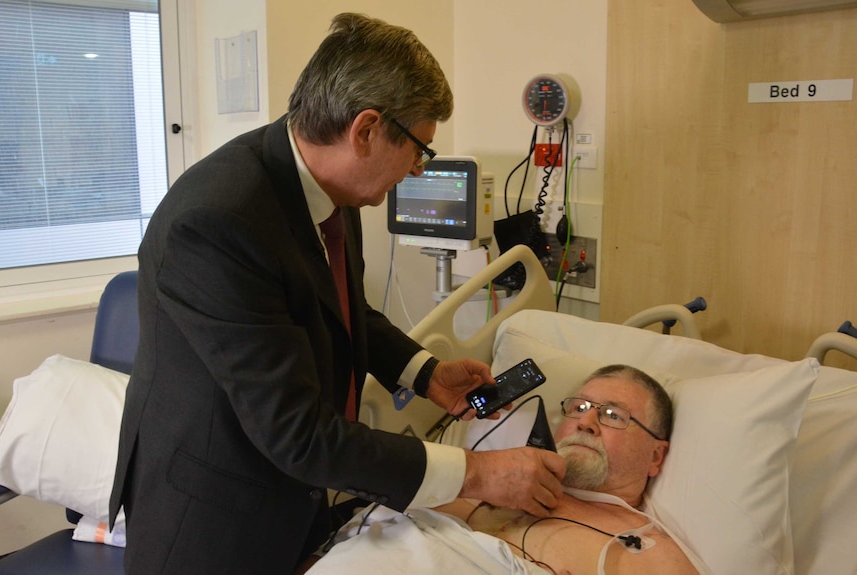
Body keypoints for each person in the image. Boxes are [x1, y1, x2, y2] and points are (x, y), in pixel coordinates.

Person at [108, 12, 565, 575]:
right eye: (420, 149)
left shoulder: (330, 190)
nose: (418, 168)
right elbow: (298, 435)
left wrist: (424, 373)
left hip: (296, 502)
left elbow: (343, 312)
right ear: (367, 130)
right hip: (212, 517)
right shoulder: (219, 223)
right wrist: (478, 473)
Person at [435, 364, 703, 574]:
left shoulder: (648, 552)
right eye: (579, 407)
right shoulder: (481, 484)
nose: (585, 421)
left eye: (613, 415)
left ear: (655, 457)